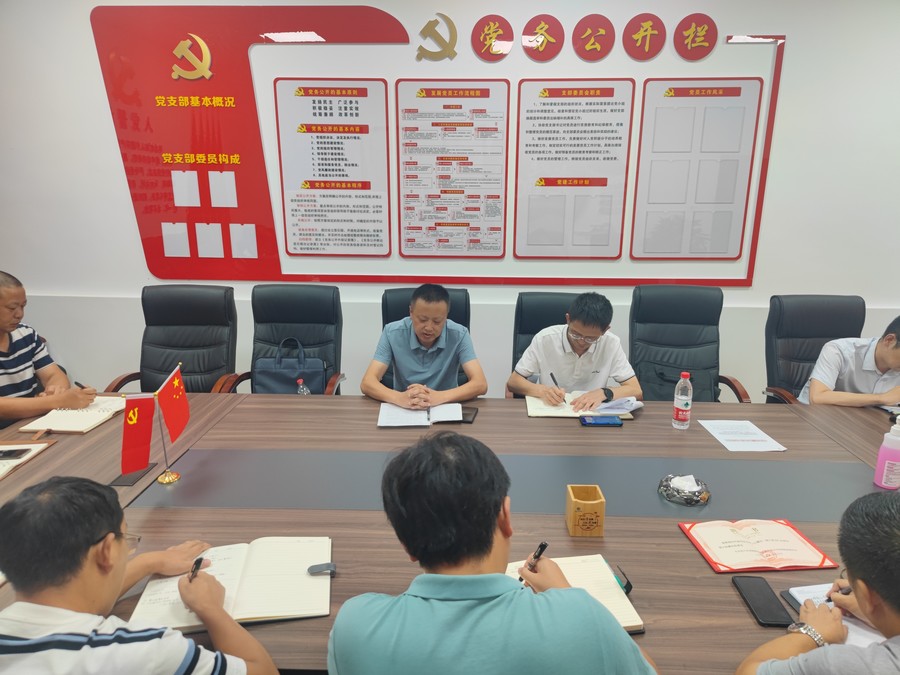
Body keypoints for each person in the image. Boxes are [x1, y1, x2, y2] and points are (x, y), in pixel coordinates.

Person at [327, 431, 657, 675]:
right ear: (505, 517)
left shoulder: (355, 626)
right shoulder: (580, 617)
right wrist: (565, 593)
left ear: (406, 545)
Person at [0, 476, 278, 675]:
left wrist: (149, 562)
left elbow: (77, 604)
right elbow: (263, 671)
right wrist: (211, 609)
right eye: (126, 538)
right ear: (107, 551)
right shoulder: (144, 651)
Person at [736, 490, 900, 674]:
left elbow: (748, 671)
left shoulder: (848, 665)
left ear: (866, 594)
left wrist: (811, 633)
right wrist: (882, 613)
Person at [506, 291, 642, 411]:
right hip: (551, 411)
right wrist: (543, 391)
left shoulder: (611, 343)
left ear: (605, 330)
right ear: (568, 319)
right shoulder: (545, 338)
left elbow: (636, 390)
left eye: (590, 338)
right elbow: (513, 382)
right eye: (575, 334)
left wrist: (605, 393)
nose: (581, 342)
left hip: (591, 414)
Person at [360, 284, 487, 409]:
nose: (429, 328)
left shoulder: (459, 334)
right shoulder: (391, 333)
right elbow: (367, 382)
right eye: (422, 319)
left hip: (445, 407)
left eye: (437, 321)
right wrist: (399, 398)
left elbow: (480, 384)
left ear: (446, 316)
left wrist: (439, 397)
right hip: (404, 407)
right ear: (411, 312)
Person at [0, 271, 96, 424]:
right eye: (12, 308)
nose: (19, 314)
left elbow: (54, 374)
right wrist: (57, 401)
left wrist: (54, 391)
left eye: (23, 306)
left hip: (30, 422)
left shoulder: (26, 334)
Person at [798, 315, 900, 406]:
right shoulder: (838, 350)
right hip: (810, 415)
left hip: (864, 419)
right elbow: (818, 398)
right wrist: (881, 398)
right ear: (889, 340)